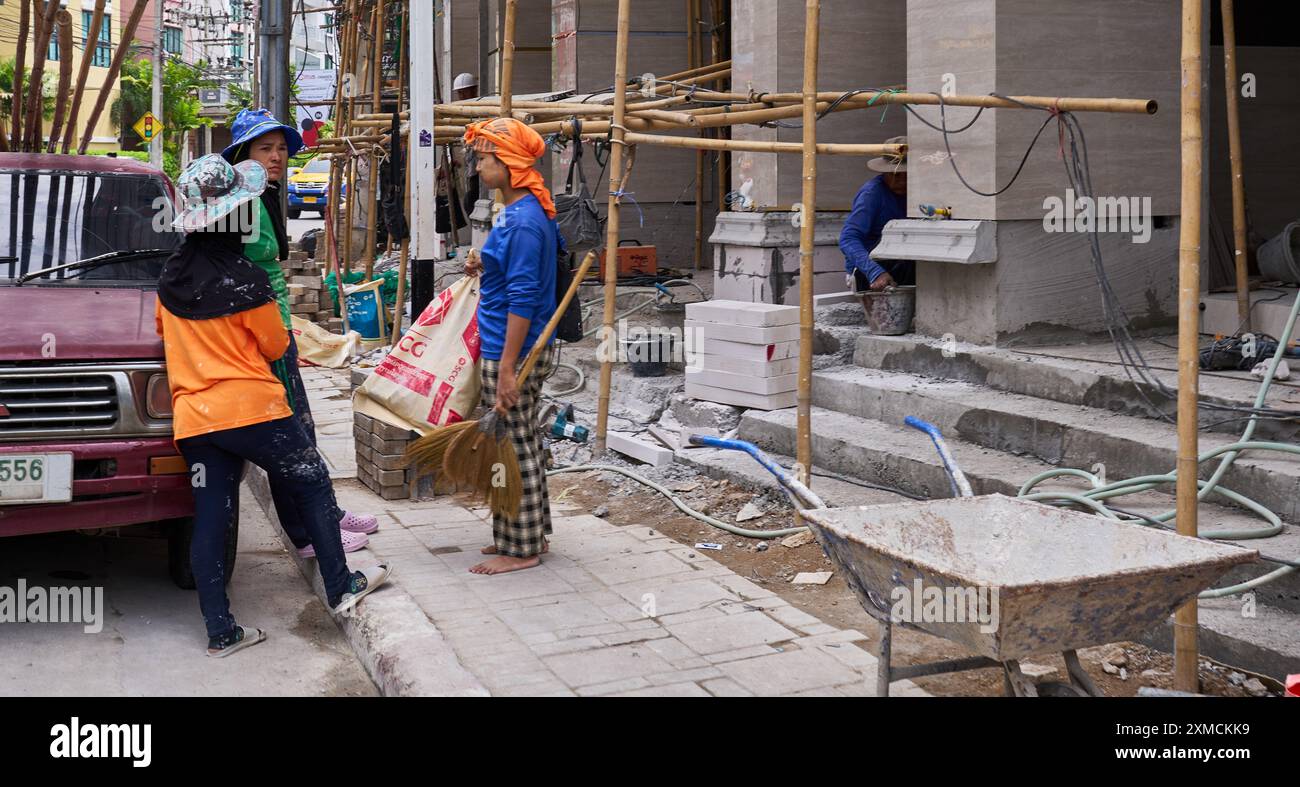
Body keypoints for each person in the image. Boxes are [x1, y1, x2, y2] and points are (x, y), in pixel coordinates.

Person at [156, 155, 389, 656]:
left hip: (195, 419)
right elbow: (274, 347)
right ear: (232, 218)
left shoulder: (169, 281)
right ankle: (341, 584)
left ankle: (221, 631)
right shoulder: (247, 279)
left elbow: (166, 339)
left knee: (211, 517)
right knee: (311, 480)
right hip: (254, 410)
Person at [221, 108, 379, 559]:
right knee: (287, 433)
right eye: (264, 148)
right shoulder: (240, 202)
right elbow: (241, 272)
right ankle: (308, 532)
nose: (276, 157)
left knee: (303, 427)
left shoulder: (267, 194)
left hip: (279, 327)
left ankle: (324, 509)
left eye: (281, 149)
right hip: (260, 332)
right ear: (241, 155)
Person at [460, 117, 558, 576]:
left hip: (510, 349)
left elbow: (523, 298)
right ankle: (523, 532)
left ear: (509, 163)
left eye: (484, 158)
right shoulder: (520, 214)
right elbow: (516, 278)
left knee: (513, 447)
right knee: (524, 440)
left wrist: (506, 369)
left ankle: (520, 549)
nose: (479, 167)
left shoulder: (523, 222)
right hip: (509, 346)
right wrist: (484, 262)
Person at [839, 135, 913, 296]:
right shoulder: (872, 194)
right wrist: (875, 271)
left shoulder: (916, 193)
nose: (902, 181)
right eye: (896, 175)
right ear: (885, 172)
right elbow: (848, 239)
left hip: (903, 263)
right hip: (868, 270)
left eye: (906, 175)